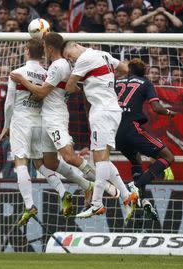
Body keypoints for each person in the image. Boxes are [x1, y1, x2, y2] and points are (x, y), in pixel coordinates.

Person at [9, 32, 120, 209]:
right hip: (48, 117)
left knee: (69, 156)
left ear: (50, 48)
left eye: (45, 47)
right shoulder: (63, 65)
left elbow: (42, 93)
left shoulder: (57, 66)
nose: (43, 50)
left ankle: (106, 186)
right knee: (50, 162)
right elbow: (73, 88)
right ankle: (87, 186)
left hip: (55, 118)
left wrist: (23, 80)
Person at [62, 41, 139, 221]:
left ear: (76, 45)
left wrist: (79, 83)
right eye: (67, 59)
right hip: (109, 109)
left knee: (100, 160)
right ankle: (127, 196)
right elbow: (125, 68)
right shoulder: (102, 54)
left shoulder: (85, 58)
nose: (70, 59)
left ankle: (96, 203)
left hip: (102, 111)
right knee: (101, 158)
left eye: (69, 54)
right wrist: (105, 80)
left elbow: (69, 87)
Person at [0, 39, 73, 226]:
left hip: (21, 120)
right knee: (40, 163)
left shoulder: (17, 73)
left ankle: (29, 205)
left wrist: (6, 125)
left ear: (26, 51)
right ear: (43, 53)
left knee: (20, 162)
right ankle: (63, 191)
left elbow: (9, 103)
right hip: (40, 121)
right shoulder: (47, 74)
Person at [115, 58, 176, 221]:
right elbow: (157, 108)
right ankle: (136, 185)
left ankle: (141, 199)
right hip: (132, 128)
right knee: (168, 157)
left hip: (115, 132)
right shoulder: (146, 83)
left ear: (129, 70)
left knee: (136, 160)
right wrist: (170, 113)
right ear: (144, 72)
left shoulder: (117, 83)